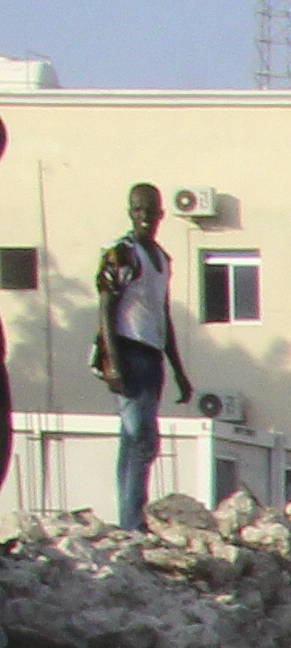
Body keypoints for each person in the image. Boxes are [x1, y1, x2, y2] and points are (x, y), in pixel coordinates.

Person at [94, 185, 192, 531]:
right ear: (130, 212)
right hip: (129, 351)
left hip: (152, 355)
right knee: (142, 439)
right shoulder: (122, 253)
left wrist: (179, 370)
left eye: (150, 210)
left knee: (132, 439)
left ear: (161, 214)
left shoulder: (161, 259)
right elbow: (106, 308)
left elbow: (163, 315)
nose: (145, 217)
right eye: (138, 210)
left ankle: (129, 518)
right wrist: (113, 362)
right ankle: (132, 522)